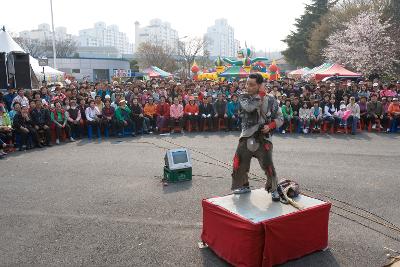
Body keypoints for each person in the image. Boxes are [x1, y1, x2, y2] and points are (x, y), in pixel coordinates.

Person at [231, 73, 283, 201]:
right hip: (247, 135)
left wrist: (270, 126)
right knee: (239, 162)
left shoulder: (271, 100)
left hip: (264, 137)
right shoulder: (243, 97)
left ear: (260, 85)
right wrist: (260, 95)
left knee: (268, 165)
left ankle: (274, 189)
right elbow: (249, 108)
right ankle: (243, 185)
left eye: (252, 84)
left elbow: (280, 118)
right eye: (247, 83)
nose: (248, 86)